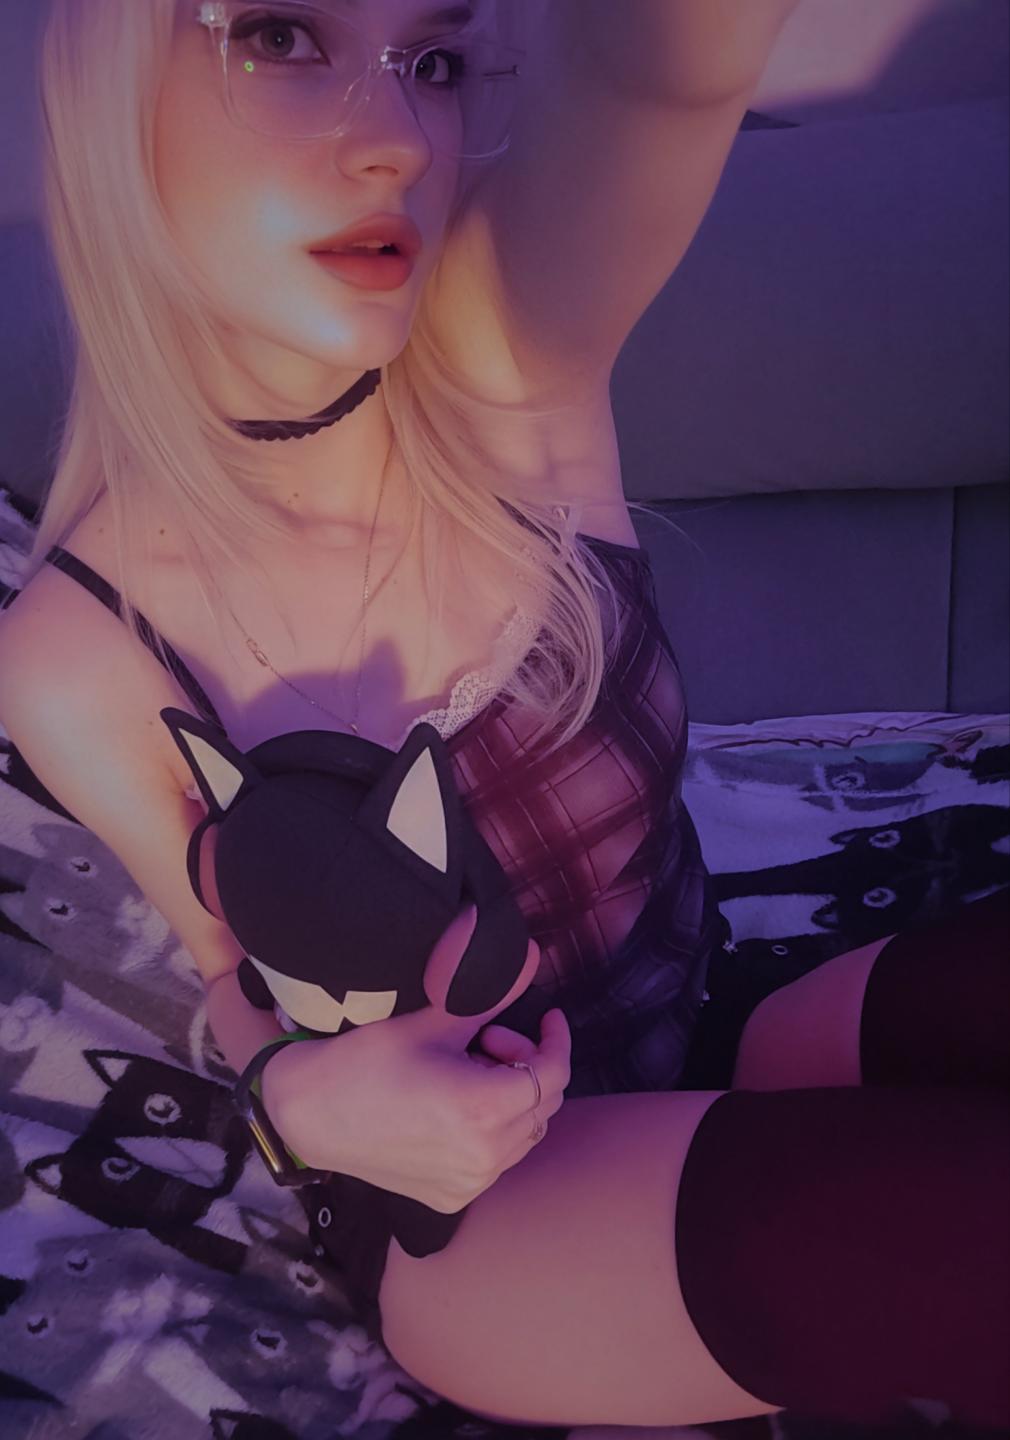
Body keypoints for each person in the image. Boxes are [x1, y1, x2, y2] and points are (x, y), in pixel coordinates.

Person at [0, 0, 1006, 1430]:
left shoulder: (502, 377)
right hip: (483, 1228)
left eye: (433, 60)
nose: (398, 140)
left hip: (730, 1021)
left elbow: (666, 66)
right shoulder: (80, 651)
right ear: (104, 84)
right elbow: (232, 974)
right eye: (281, 35)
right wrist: (299, 1107)